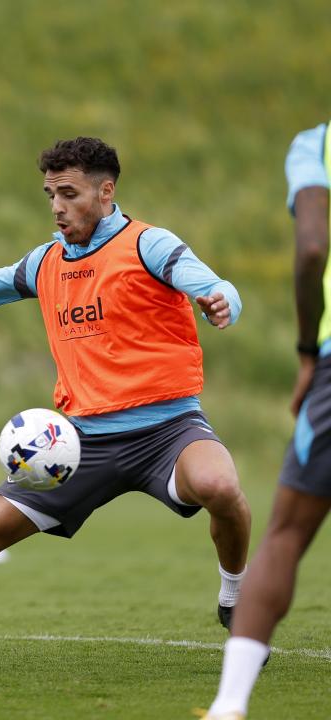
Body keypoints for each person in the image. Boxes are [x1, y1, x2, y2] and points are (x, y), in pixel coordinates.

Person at [0, 136, 251, 673]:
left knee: (222, 488)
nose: (58, 207)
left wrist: (221, 299)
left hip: (169, 429)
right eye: (50, 194)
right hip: (80, 440)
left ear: (106, 192)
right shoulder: (47, 261)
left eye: (70, 193)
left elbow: (206, 281)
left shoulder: (148, 245)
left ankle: (234, 597)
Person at [201, 123, 331, 720]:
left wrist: (308, 350)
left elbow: (311, 248)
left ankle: (230, 706)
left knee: (284, 536)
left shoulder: (318, 144)